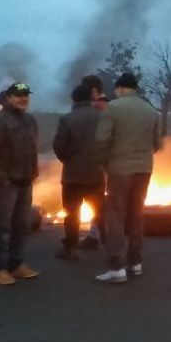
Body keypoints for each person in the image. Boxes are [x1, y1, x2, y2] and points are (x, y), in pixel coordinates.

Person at [94, 72, 162, 284]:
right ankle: (135, 263)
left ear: (121, 88)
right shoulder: (151, 111)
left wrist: (102, 164)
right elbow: (157, 144)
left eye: (116, 89)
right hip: (144, 170)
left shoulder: (113, 108)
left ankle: (116, 267)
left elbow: (101, 140)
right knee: (136, 215)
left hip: (119, 169)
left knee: (115, 215)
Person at [0, 83, 40, 285]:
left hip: (25, 181)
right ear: (8, 98)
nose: (22, 98)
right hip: (4, 184)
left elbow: (32, 149)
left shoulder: (29, 120)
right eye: (18, 95)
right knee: (2, 227)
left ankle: (15, 265)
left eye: (25, 94)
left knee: (21, 225)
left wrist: (33, 173)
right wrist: (2, 178)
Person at [52, 84, 105, 260]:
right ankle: (112, 247)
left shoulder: (67, 118)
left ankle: (71, 248)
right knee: (100, 213)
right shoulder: (102, 117)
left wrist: (67, 160)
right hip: (96, 174)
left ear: (74, 99)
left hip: (73, 175)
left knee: (72, 212)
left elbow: (59, 145)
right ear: (91, 98)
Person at [78, 74, 108, 249]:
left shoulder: (99, 106)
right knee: (96, 200)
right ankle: (94, 234)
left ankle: (101, 237)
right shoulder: (108, 105)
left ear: (94, 90)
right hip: (102, 160)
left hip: (98, 161)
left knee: (97, 200)